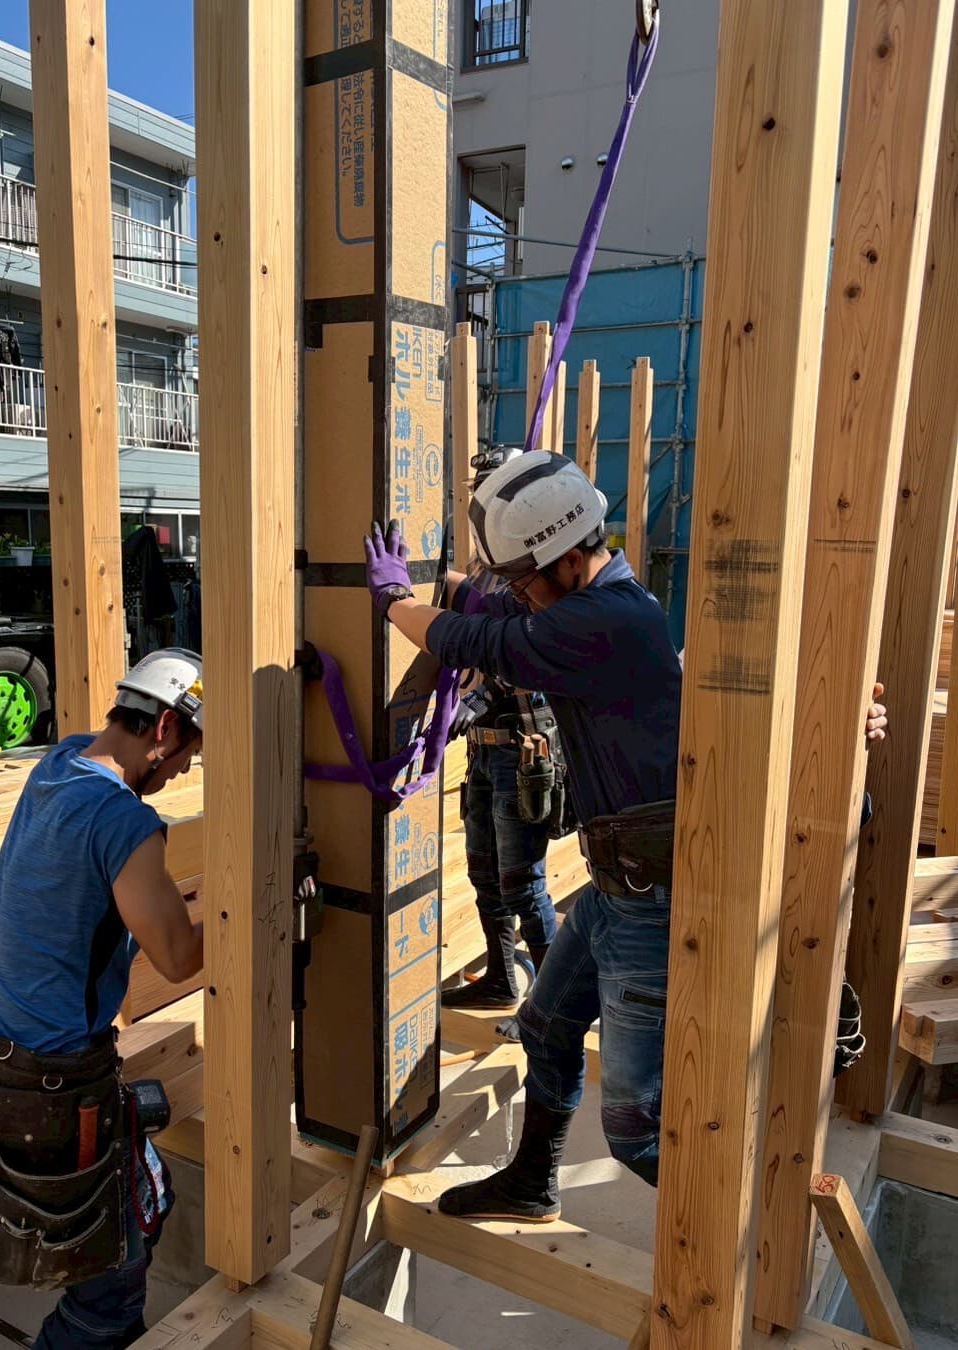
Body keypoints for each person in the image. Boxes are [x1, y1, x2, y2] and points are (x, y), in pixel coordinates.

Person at [363, 451, 887, 1222]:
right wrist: (433, 591)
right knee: (545, 1026)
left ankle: (749, 1227)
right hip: (616, 890)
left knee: (637, 1129)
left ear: (568, 559)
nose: (518, 596)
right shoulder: (598, 604)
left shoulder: (606, 620)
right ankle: (532, 1182)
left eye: (524, 580)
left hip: (652, 901)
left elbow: (485, 642)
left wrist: (393, 603)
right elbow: (497, 616)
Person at [0, 648, 205, 1350]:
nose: (184, 772)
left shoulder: (60, 762)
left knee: (145, 1198)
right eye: (187, 754)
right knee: (110, 1286)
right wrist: (263, 905)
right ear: (164, 728)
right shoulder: (123, 820)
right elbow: (178, 958)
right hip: (57, 1086)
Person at [442, 447, 563, 1012]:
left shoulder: (535, 572)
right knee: (484, 875)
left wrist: (477, 697)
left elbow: (527, 659)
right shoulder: (485, 573)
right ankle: (501, 977)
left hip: (521, 750)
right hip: (484, 750)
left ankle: (554, 1002)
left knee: (523, 883)